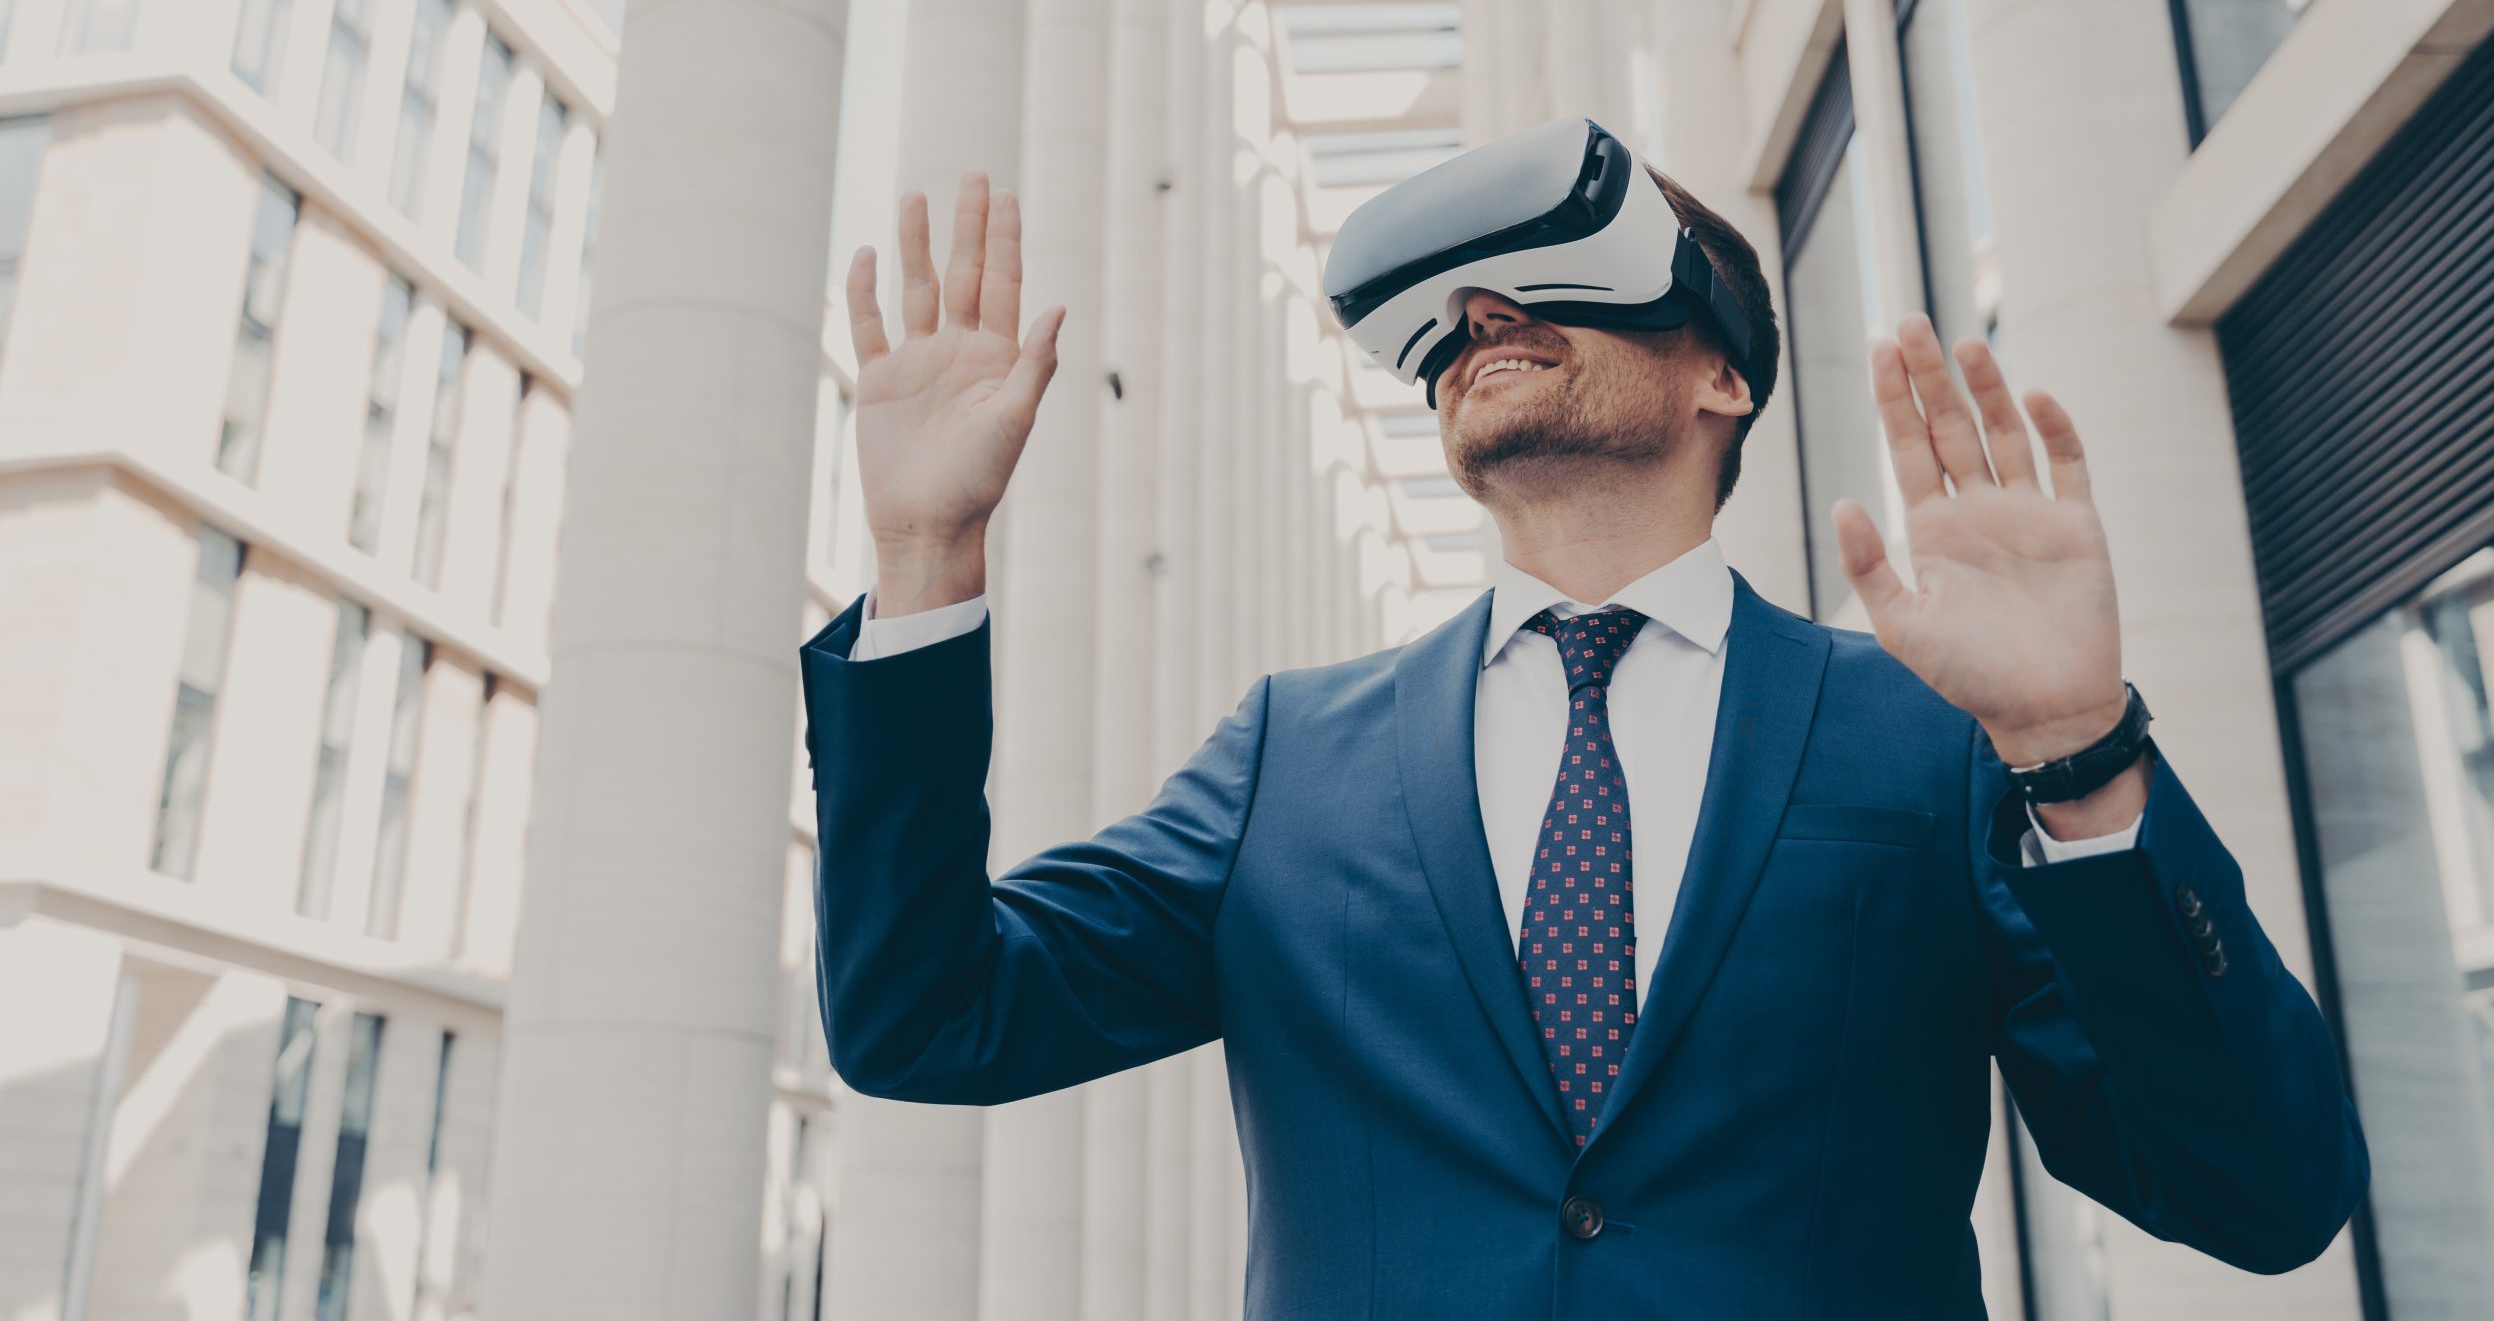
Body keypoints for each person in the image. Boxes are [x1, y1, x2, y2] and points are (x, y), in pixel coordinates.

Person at [799, 163, 2368, 1319]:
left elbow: (2260, 1196)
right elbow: (926, 1019)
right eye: (1454, 318)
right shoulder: (1290, 755)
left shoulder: (1940, 741)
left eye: (1550, 278)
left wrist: (2077, 748)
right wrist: (926, 561)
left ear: (1722, 373)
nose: (1483, 315)